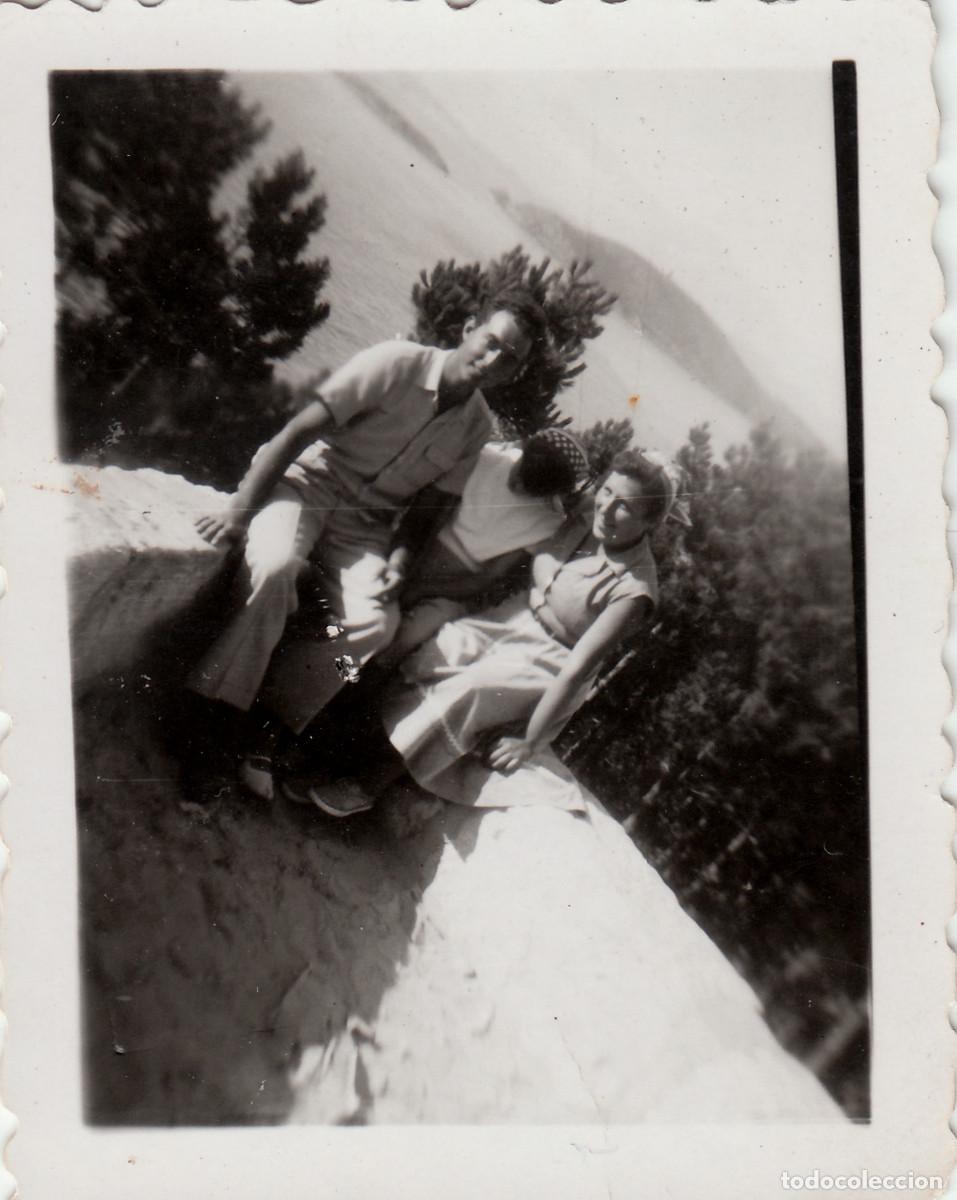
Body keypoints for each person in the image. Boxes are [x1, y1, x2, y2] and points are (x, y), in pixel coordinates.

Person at [188, 289, 547, 804]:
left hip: (364, 530)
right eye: (489, 342)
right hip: (309, 486)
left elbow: (427, 507)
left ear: (512, 371)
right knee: (273, 566)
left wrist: (398, 561)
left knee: (374, 628)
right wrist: (238, 510)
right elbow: (294, 432)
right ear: (470, 327)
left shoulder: (475, 428)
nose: (491, 360)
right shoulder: (395, 363)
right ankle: (213, 718)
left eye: (507, 359)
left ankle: (273, 720)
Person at [286, 450, 686, 816]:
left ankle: (367, 784)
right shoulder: (586, 514)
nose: (608, 507)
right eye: (608, 491)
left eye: (625, 507)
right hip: (511, 620)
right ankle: (332, 752)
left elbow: (578, 668)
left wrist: (529, 741)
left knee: (473, 687)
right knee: (438, 647)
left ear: (650, 523)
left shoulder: (634, 591)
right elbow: (543, 526)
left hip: (552, 660)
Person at [384, 428, 592, 665]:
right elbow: (427, 517)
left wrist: (421, 589)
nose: (517, 485)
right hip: (416, 552)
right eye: (519, 473)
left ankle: (350, 687)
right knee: (369, 615)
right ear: (522, 453)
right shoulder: (488, 458)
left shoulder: (548, 523)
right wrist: (404, 568)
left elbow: (485, 578)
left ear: (550, 493)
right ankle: (339, 670)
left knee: (408, 636)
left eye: (530, 488)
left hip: (452, 591)